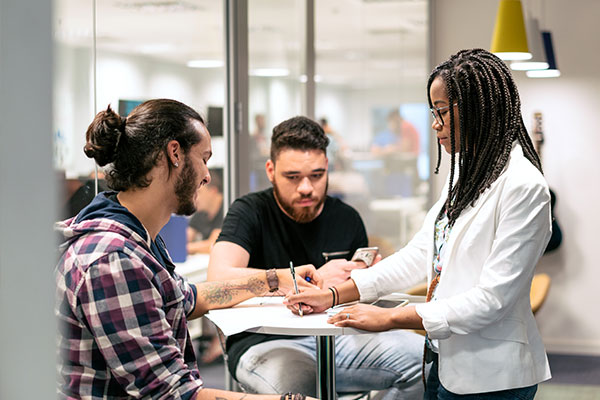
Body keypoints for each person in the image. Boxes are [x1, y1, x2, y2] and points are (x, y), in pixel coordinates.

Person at [286, 48, 552, 399]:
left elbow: (493, 299)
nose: (434, 124)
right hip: (443, 363)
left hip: (493, 377)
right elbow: (420, 255)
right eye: (433, 112)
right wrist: (335, 294)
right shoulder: (468, 174)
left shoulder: (524, 186)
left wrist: (391, 318)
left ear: (475, 110)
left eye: (441, 112)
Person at [55, 99, 317, 400]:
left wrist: (274, 280)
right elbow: (174, 395)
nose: (207, 175)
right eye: (203, 158)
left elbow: (186, 299)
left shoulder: (132, 234)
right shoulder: (113, 260)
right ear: (175, 153)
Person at [207, 116, 424, 398]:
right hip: (265, 341)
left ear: (328, 169)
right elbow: (217, 279)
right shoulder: (250, 212)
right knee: (297, 388)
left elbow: (359, 299)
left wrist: (363, 279)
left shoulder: (346, 218)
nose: (306, 187)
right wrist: (299, 281)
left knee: (426, 361)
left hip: (340, 337)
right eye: (293, 177)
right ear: (270, 170)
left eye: (317, 175)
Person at [187, 169, 224, 255]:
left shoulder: (227, 208)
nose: (194, 198)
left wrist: (185, 248)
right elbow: (184, 238)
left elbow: (214, 244)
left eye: (199, 192)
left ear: (213, 191)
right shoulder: (201, 212)